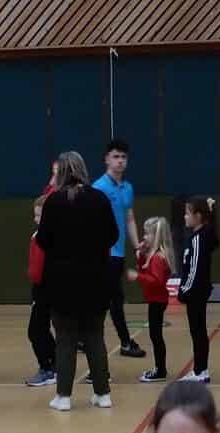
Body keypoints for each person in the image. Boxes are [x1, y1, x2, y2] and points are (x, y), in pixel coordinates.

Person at [36, 150, 120, 412]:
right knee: (95, 336)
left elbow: (42, 240)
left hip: (61, 282)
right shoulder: (99, 199)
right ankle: (103, 394)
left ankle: (63, 397)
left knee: (65, 339)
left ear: (61, 172)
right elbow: (113, 235)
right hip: (96, 279)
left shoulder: (53, 202)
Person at [92, 139, 146, 359]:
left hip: (119, 254)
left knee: (112, 299)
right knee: (110, 300)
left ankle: (93, 340)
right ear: (107, 159)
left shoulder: (127, 188)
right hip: (104, 255)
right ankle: (122, 342)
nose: (120, 161)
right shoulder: (98, 188)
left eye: (123, 157)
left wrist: (137, 245)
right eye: (116, 156)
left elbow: (129, 218)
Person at [174, 196, 218, 383]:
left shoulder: (199, 238)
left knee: (198, 332)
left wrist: (184, 289)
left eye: (187, 213)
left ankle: (200, 371)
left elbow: (195, 268)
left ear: (198, 216)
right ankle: (201, 370)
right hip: (197, 291)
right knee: (198, 331)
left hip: (196, 292)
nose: (184, 216)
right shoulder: (200, 235)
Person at [136, 216, 176, 382]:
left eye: (147, 234)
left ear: (156, 236)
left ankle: (160, 370)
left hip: (157, 301)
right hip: (155, 300)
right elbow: (146, 271)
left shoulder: (158, 258)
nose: (144, 237)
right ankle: (159, 368)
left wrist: (137, 277)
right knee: (155, 335)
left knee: (156, 336)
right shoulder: (154, 256)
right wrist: (141, 255)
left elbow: (156, 281)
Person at [24, 198, 56, 387]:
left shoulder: (51, 237)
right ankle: (54, 364)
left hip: (47, 288)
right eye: (35, 215)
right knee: (40, 329)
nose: (36, 219)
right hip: (38, 289)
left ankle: (48, 368)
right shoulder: (37, 235)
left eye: (39, 215)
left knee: (35, 331)